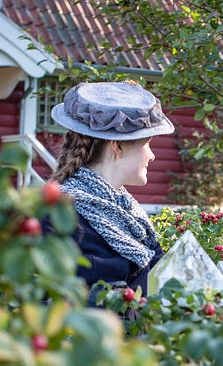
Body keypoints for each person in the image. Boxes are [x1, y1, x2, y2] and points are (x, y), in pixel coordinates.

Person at [48, 81, 174, 303]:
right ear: (117, 146)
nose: (152, 155)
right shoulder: (57, 216)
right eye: (148, 144)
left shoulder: (131, 216)